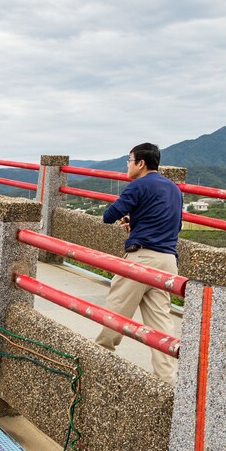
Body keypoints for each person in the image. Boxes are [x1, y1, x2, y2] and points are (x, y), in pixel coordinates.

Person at [95, 143, 183, 383]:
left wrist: (128, 214)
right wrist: (137, 223)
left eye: (129, 160)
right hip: (167, 261)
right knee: (160, 322)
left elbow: (108, 216)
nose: (128, 164)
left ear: (141, 163)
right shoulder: (174, 189)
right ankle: (168, 381)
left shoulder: (138, 185)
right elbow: (174, 225)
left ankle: (97, 364)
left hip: (141, 260)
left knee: (115, 312)